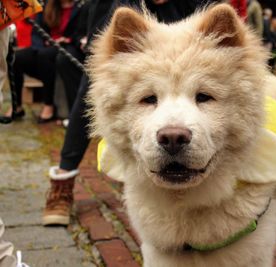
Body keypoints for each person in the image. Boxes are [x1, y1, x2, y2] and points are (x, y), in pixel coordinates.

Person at [43, 0, 217, 226]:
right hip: (121, 5)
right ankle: (63, 182)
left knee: (194, 81)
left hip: (182, 9)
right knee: (96, 89)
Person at [3, 0, 82, 122]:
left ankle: (48, 105)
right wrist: (43, 45)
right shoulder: (47, 6)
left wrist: (67, 40)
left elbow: (80, 32)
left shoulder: (81, 7)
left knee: (45, 56)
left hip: (65, 48)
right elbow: (36, 33)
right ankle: (17, 105)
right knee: (16, 58)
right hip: (44, 47)